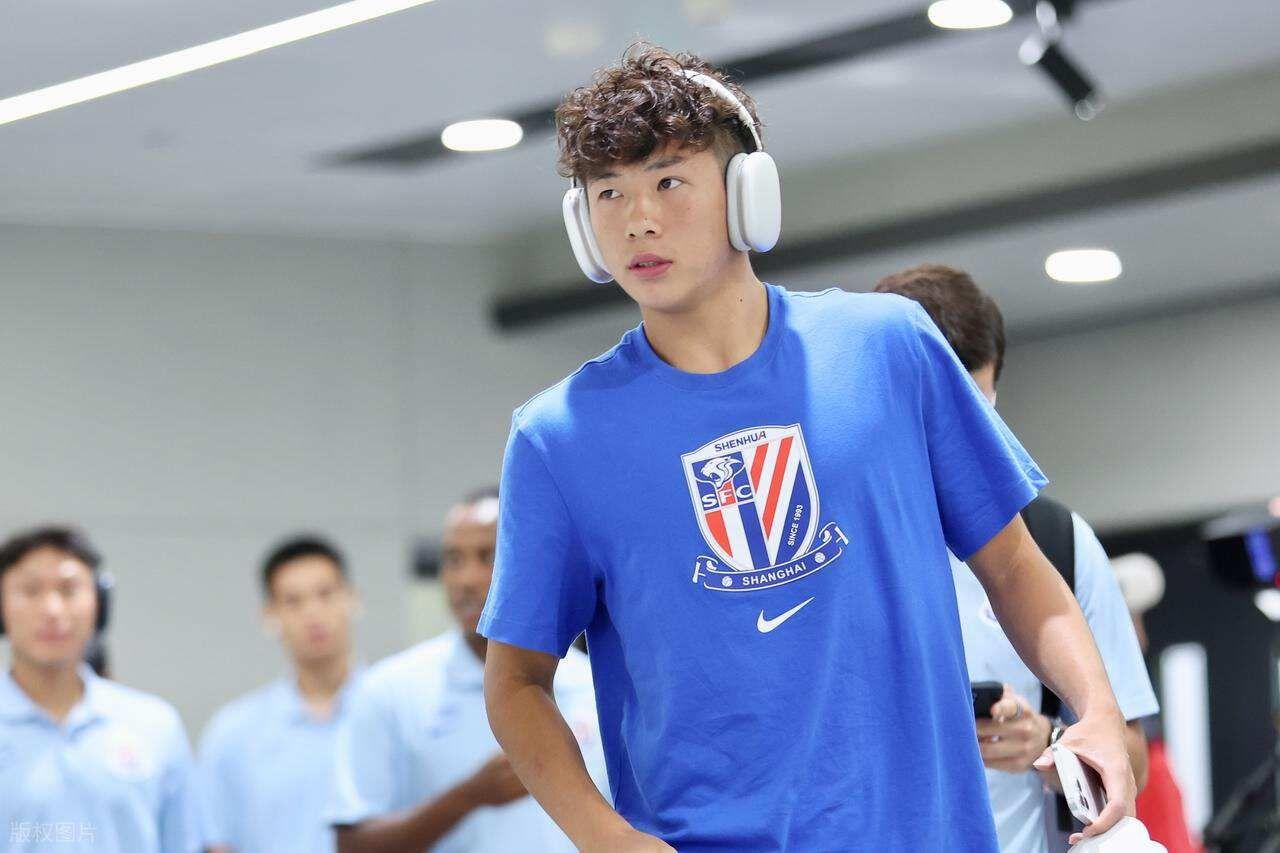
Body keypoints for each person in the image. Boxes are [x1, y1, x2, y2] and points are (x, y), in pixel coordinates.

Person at [479, 44, 1136, 853]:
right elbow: (516, 681)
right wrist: (605, 837)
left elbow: (1013, 567)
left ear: (748, 194)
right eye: (607, 192)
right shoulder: (558, 438)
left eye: (669, 182)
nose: (637, 218)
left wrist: (1097, 709)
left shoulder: (890, 348)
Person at [875, 264, 1159, 852]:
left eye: (974, 411)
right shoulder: (822, 543)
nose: (955, 440)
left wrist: (1048, 742)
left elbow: (1131, 757)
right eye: (932, 414)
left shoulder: (1055, 541)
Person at [328, 489, 606, 852]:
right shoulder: (388, 690)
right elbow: (351, 845)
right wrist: (467, 797)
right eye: (453, 560)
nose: (466, 580)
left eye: (488, 557)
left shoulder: (594, 687)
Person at [0, 525, 200, 853]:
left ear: (100, 603)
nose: (52, 610)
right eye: (31, 591)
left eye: (68, 590)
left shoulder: (155, 725)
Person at [198, 536, 363, 853]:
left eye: (325, 594)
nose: (313, 613)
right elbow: (217, 842)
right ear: (269, 615)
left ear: (353, 600)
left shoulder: (394, 715)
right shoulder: (232, 733)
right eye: (293, 601)